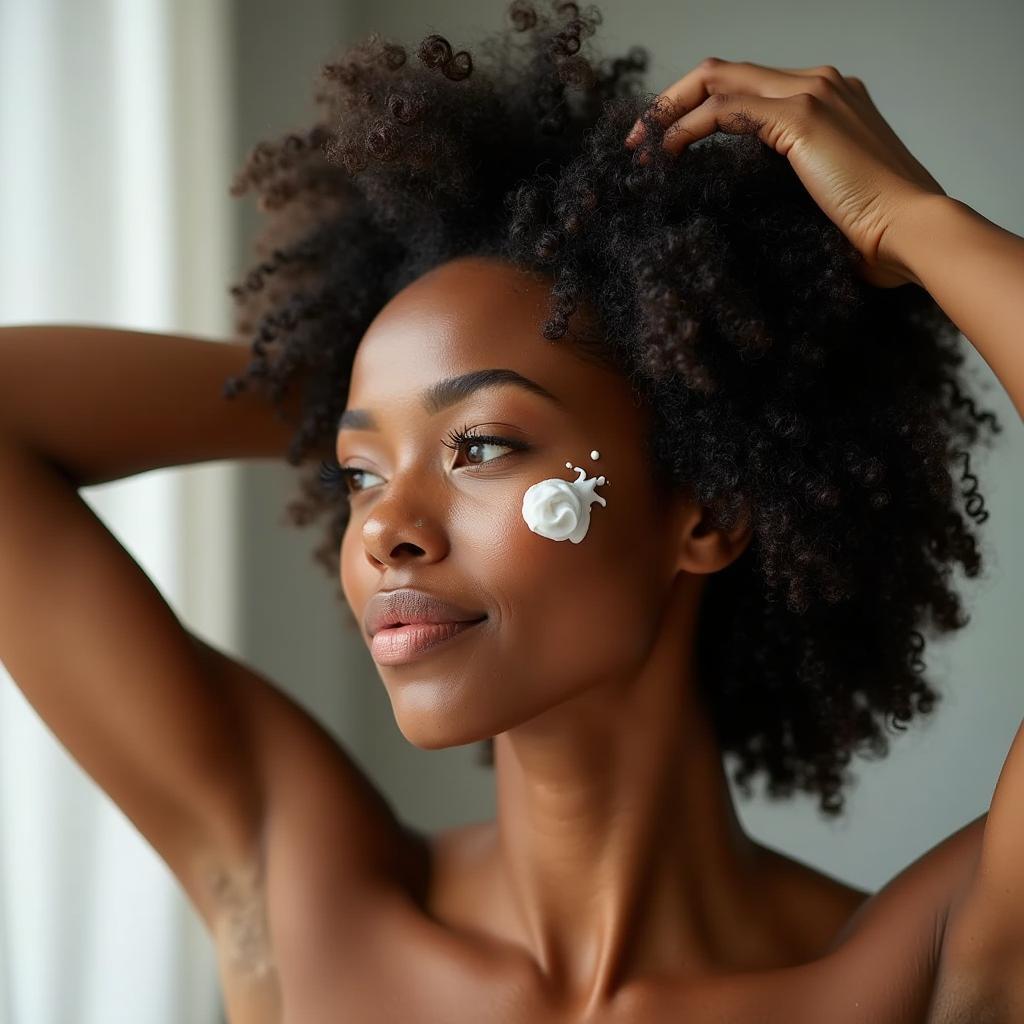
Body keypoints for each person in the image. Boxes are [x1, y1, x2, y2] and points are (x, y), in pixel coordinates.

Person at [1, 1, 1021, 1021]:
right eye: (356, 476)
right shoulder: (307, 902)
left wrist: (912, 224)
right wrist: (353, 405)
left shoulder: (923, 973)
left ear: (706, 508)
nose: (381, 528)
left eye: (481, 446)